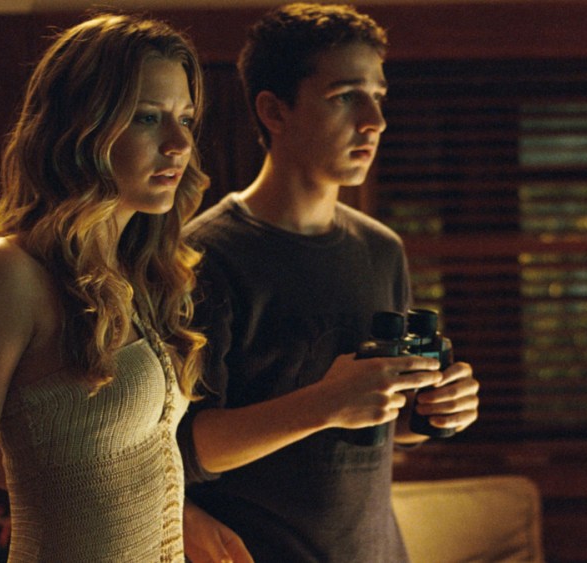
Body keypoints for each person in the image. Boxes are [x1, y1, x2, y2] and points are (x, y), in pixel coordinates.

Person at [0, 13, 250, 562]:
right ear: (82, 126)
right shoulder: (5, 272)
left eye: (186, 119)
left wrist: (181, 514)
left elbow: (99, 464)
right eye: (148, 117)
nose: (178, 143)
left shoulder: (139, 275)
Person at [180, 3, 480, 561]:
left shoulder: (381, 249)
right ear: (274, 111)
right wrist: (326, 402)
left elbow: (380, 419)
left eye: (378, 96)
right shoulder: (204, 256)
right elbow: (181, 448)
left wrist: (433, 411)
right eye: (345, 96)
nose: (374, 120)